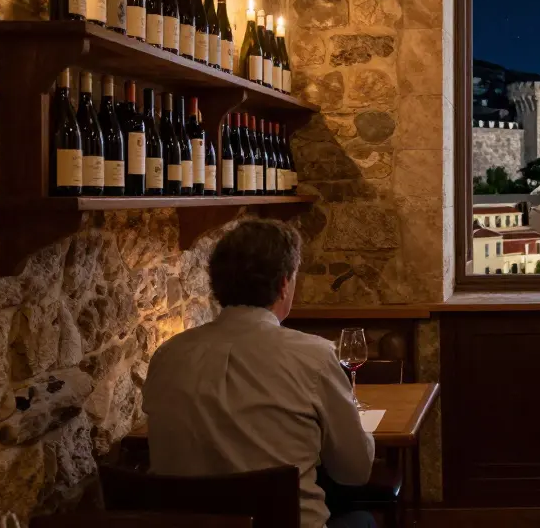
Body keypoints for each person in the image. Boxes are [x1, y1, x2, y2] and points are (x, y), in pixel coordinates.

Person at [143, 219, 376, 528]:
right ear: (283, 284)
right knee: (361, 519)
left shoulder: (165, 356)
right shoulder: (315, 357)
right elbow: (355, 471)